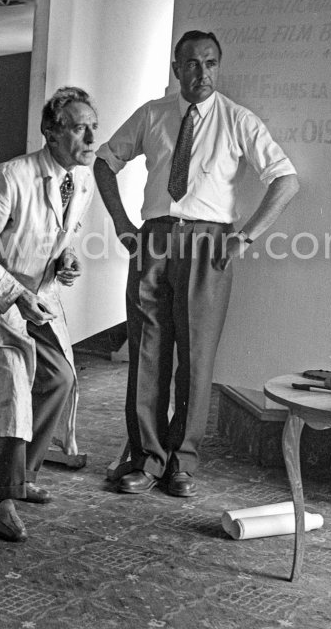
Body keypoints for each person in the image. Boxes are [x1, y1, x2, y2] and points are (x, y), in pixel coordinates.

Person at [94, 30, 299, 498]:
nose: (201, 73)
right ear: (176, 69)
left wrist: (245, 236)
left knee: (196, 358)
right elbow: (105, 162)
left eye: (209, 63)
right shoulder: (153, 114)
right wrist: (125, 225)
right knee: (147, 351)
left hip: (210, 244)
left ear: (218, 67)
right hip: (154, 238)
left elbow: (285, 179)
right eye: (190, 64)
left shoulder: (237, 120)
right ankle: (146, 458)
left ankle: (182, 463)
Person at [0, 86, 97, 541]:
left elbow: (56, 234)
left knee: (59, 378)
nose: (91, 136)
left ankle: (24, 474)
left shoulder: (82, 180)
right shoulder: (11, 177)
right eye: (79, 127)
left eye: (93, 126)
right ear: (51, 133)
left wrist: (65, 258)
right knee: (13, 389)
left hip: (37, 298)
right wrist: (13, 294)